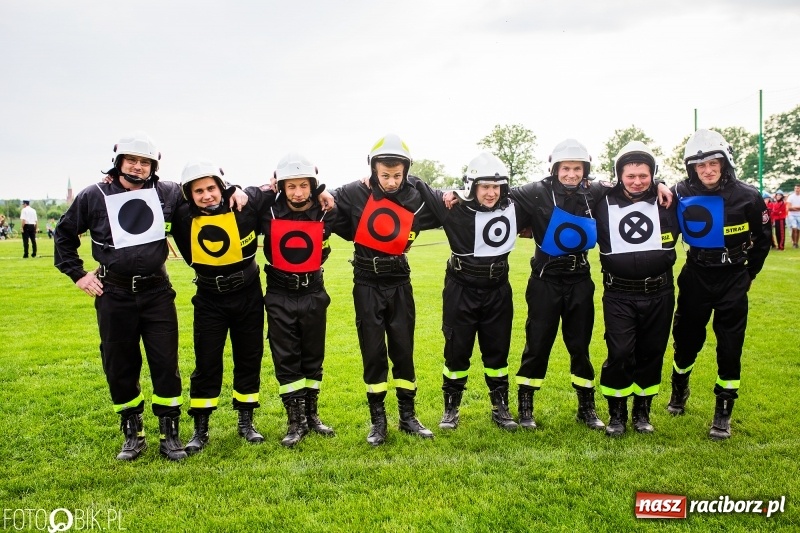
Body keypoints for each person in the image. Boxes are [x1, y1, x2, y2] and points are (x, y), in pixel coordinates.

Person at [53, 131, 246, 461]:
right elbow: (64, 234)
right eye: (132, 161)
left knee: (165, 363)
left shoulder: (166, 192)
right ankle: (133, 433)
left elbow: (204, 193)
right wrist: (79, 274)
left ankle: (169, 433)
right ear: (118, 162)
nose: (138, 167)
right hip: (113, 293)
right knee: (119, 364)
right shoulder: (93, 195)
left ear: (154, 167)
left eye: (145, 162)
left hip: (156, 291)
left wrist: (236, 189)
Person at [509, 139, 672, 431]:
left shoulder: (594, 191)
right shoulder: (535, 192)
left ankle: (586, 406)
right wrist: (458, 193)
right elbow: (495, 193)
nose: (571, 174)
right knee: (537, 343)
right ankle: (526, 405)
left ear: (586, 170)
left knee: (580, 346)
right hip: (544, 281)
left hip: (580, 281)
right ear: (555, 168)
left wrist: (658, 182)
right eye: (565, 168)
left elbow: (629, 183)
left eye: (577, 168)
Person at [331, 133, 440, 446]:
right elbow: (323, 201)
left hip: (399, 281)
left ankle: (408, 416)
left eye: (397, 175)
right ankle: (378, 421)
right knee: (374, 351)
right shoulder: (353, 192)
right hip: (366, 281)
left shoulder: (417, 193)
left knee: (403, 349)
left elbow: (446, 204)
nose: (391, 181)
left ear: (406, 170)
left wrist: (436, 190)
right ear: (372, 170)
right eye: (385, 175)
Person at [667, 129, 771, 440]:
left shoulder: (748, 196)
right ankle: (679, 388)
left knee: (730, 346)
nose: (708, 170)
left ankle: (723, 411)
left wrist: (748, 274)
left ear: (724, 163)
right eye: (701, 165)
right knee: (686, 341)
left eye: (714, 163)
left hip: (733, 278)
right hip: (696, 275)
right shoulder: (680, 192)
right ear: (691, 168)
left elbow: (763, 240)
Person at [169, 160, 274, 454]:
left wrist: (240, 189)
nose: (206, 196)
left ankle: (246, 421)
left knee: (249, 357)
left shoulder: (244, 203)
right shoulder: (181, 215)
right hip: (209, 298)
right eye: (198, 191)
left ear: (221, 187)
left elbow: (279, 184)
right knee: (206, 362)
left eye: (211, 188)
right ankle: (200, 429)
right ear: (189, 195)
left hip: (248, 294)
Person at [414, 153, 521, 431]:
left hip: (498, 290)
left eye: (496, 187)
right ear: (472, 186)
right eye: (484, 186)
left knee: (497, 352)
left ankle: (500, 408)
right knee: (457, 351)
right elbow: (417, 184)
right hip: (460, 288)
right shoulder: (453, 207)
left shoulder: (514, 205)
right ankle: (451, 409)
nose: (490, 193)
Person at [595, 142, 679, 436]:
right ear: (619, 175)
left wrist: (663, 184)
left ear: (652, 175)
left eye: (644, 176)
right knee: (620, 352)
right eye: (630, 176)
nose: (637, 182)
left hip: (660, 291)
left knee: (652, 351)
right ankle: (616, 412)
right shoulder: (602, 199)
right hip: (619, 293)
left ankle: (642, 411)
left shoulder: (669, 201)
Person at [262, 153, 337, 447]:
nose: (297, 192)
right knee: (286, 356)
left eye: (304, 186)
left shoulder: (326, 209)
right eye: (290, 186)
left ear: (312, 186)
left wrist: (323, 192)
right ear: (280, 186)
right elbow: (238, 194)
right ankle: (295, 421)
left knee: (313, 354)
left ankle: (312, 415)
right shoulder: (266, 207)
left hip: (313, 290)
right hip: (280, 291)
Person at [786, 184, 800, 248]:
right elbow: (789, 208)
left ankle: (796, 243)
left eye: (798, 188)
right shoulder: (791, 197)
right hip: (792, 215)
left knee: (798, 229)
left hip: (799, 215)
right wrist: (798, 208)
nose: (796, 189)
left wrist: (793, 207)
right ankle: (794, 242)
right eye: (795, 188)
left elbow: (791, 207)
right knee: (794, 228)